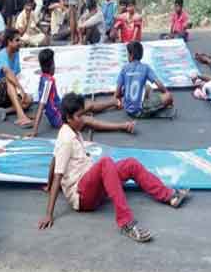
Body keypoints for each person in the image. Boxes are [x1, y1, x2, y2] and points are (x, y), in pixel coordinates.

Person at [37, 92, 190, 242]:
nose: (83, 120)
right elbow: (58, 172)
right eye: (79, 116)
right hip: (82, 196)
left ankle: (170, 196)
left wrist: (48, 185)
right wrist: (48, 214)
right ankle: (126, 223)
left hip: (92, 186)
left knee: (130, 164)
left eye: (83, 114)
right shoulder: (66, 139)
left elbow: (54, 158)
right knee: (105, 163)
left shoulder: (73, 130)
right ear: (68, 118)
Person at [29, 48, 134, 137]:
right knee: (86, 120)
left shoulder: (44, 78)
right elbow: (42, 105)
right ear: (51, 65)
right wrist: (34, 131)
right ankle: (123, 126)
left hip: (62, 110)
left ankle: (114, 102)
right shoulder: (48, 82)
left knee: (88, 104)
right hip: (59, 117)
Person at [0, 28, 33, 127]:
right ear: (9, 42)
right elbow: (8, 73)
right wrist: (21, 90)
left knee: (29, 99)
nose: (20, 42)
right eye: (17, 40)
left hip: (4, 92)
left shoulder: (16, 54)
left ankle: (3, 111)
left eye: (20, 40)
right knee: (9, 80)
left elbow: (15, 75)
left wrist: (23, 95)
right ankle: (21, 116)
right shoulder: (2, 55)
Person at [115, 41, 175, 119]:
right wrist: (167, 94)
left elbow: (117, 94)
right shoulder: (145, 67)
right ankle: (152, 110)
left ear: (131, 55)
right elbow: (158, 84)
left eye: (127, 54)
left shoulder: (124, 68)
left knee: (147, 87)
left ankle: (143, 105)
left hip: (128, 109)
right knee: (169, 96)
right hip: (139, 110)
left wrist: (123, 96)